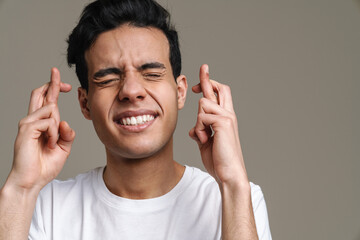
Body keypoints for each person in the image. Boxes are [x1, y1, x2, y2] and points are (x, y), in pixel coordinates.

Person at [0, 0, 271, 239]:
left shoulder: (234, 199)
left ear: (180, 92)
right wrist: (20, 189)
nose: (131, 90)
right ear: (85, 103)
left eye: (151, 73)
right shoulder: (45, 207)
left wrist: (233, 183)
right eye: (108, 78)